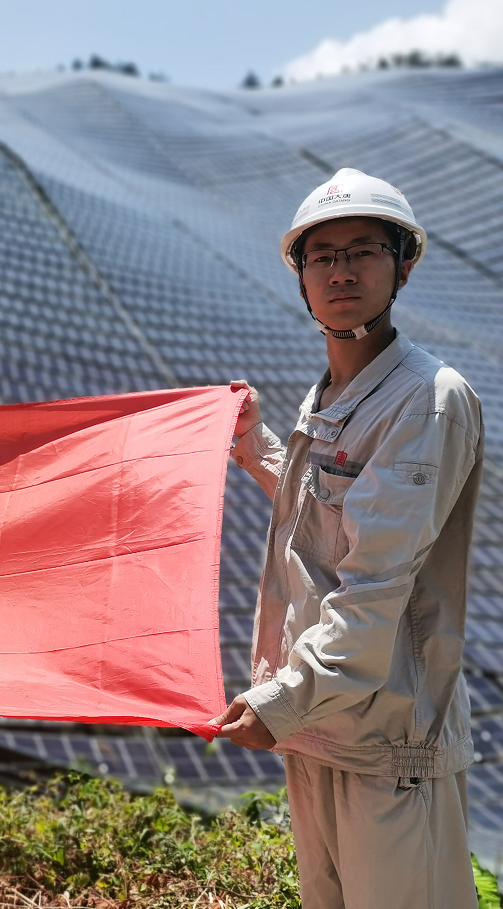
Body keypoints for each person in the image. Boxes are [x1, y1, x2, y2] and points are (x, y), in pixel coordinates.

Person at [211, 169, 484, 908]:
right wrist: (257, 446)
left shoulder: (427, 398)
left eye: (364, 250)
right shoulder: (334, 392)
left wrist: (283, 699)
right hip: (323, 730)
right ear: (301, 275)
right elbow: (333, 512)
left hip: (388, 746)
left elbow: (376, 582)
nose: (341, 270)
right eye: (322, 255)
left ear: (404, 264)